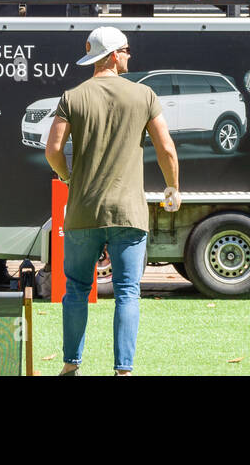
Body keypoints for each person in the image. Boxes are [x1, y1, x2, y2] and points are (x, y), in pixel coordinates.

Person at [44, 25, 180, 375]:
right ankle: (123, 370)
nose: (130, 56)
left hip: (82, 210)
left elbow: (54, 150)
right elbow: (166, 148)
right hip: (128, 212)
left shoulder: (72, 97)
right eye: (127, 50)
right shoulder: (144, 95)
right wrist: (172, 186)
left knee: (75, 289)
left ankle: (70, 366)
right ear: (114, 54)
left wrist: (66, 176)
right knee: (127, 292)